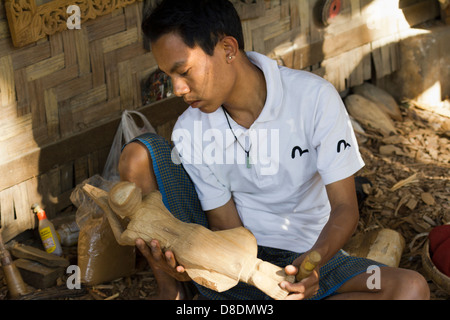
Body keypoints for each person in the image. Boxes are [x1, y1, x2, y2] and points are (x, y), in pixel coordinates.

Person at [118, 0, 430, 300]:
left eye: (183, 71)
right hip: (242, 262)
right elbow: (226, 227)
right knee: (138, 156)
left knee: (410, 289)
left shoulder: (313, 98)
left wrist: (310, 265)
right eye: (169, 76)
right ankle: (175, 292)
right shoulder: (191, 129)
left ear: (228, 49)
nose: (178, 89)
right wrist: (211, 264)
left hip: (313, 255)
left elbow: (346, 208)